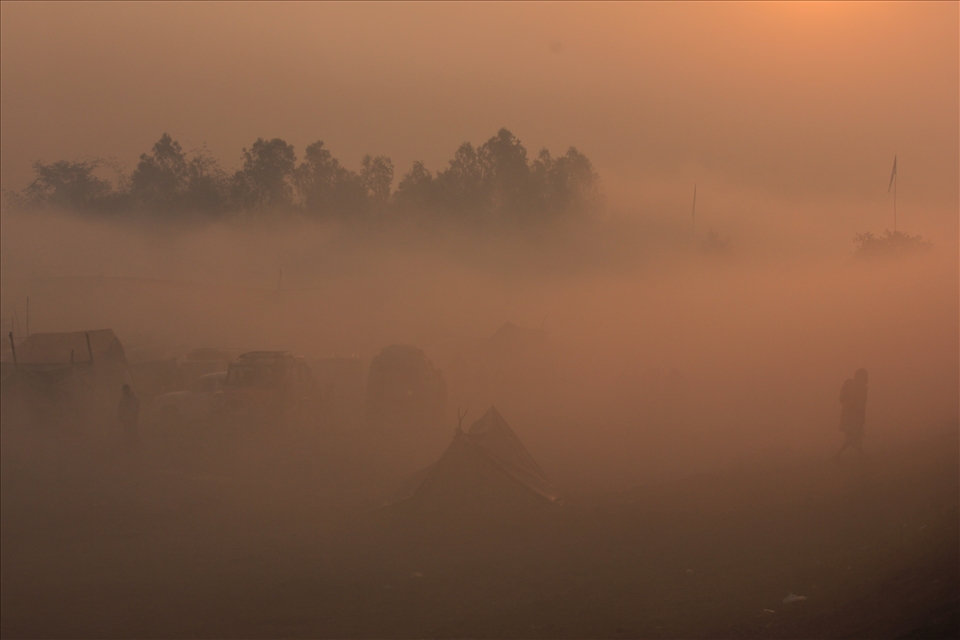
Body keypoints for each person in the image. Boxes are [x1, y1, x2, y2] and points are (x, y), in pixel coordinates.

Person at [836, 368, 868, 458]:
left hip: (850, 414)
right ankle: (861, 455)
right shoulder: (862, 388)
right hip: (853, 414)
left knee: (852, 435)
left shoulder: (851, 384)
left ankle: (838, 455)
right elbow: (862, 405)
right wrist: (862, 416)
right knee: (852, 435)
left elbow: (842, 398)